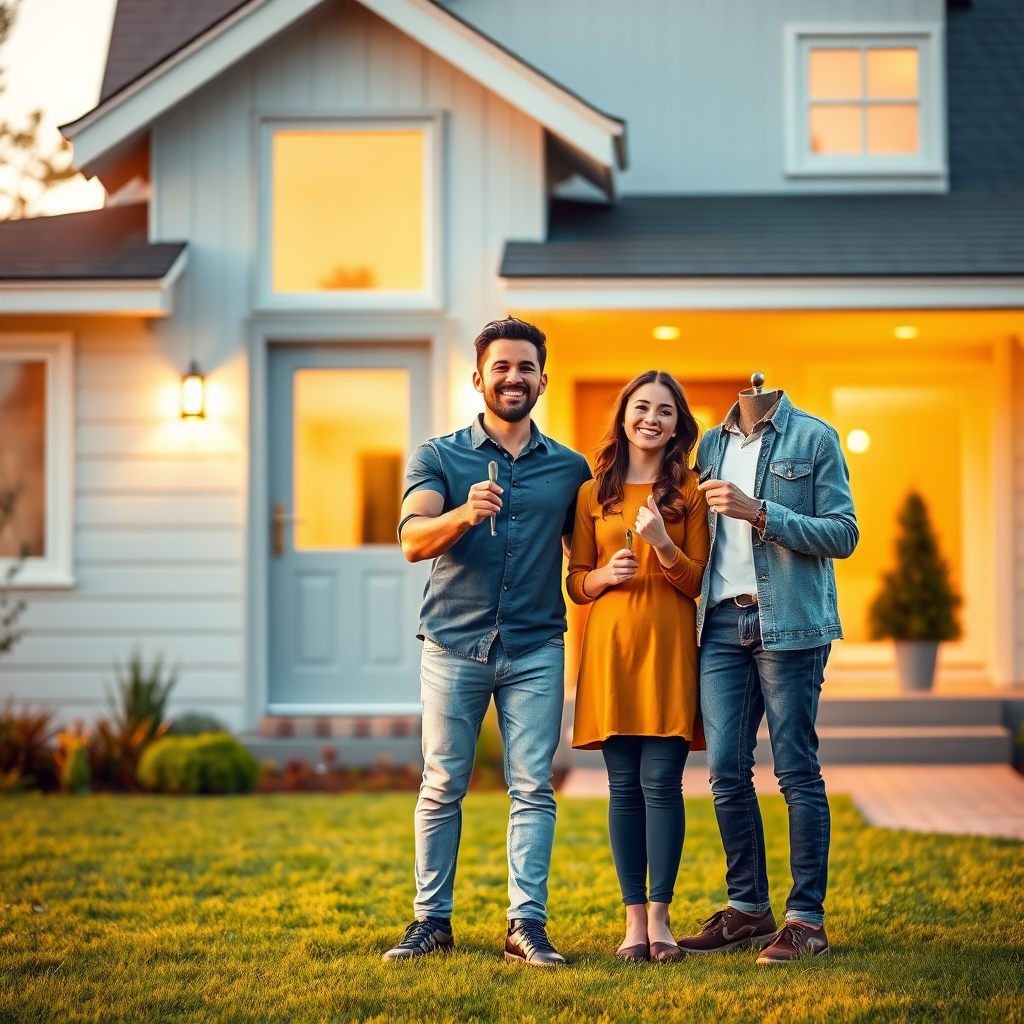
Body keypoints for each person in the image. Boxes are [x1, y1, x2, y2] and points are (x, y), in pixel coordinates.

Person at [383, 317, 592, 967]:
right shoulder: (438, 457)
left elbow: (584, 559)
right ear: (478, 379)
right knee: (443, 783)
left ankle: (525, 927)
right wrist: (464, 513)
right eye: (501, 367)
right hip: (453, 643)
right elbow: (412, 540)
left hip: (536, 648)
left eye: (526, 367)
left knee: (533, 787)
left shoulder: (570, 469)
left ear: (543, 381)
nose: (513, 377)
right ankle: (431, 921)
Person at [676, 389, 858, 965]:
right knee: (725, 771)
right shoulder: (710, 444)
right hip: (719, 624)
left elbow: (844, 534)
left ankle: (807, 921)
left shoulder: (815, 437)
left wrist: (760, 512)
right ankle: (749, 909)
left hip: (791, 623)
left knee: (796, 771)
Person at [566, 371, 709, 963]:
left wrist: (663, 544)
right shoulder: (590, 493)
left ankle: (661, 919)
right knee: (623, 788)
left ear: (678, 426)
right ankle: (632, 924)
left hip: (668, 650)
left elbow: (698, 581)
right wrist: (604, 576)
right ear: (624, 416)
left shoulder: (690, 491)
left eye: (666, 411)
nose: (652, 418)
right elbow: (576, 582)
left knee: (663, 784)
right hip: (611, 652)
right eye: (642, 407)